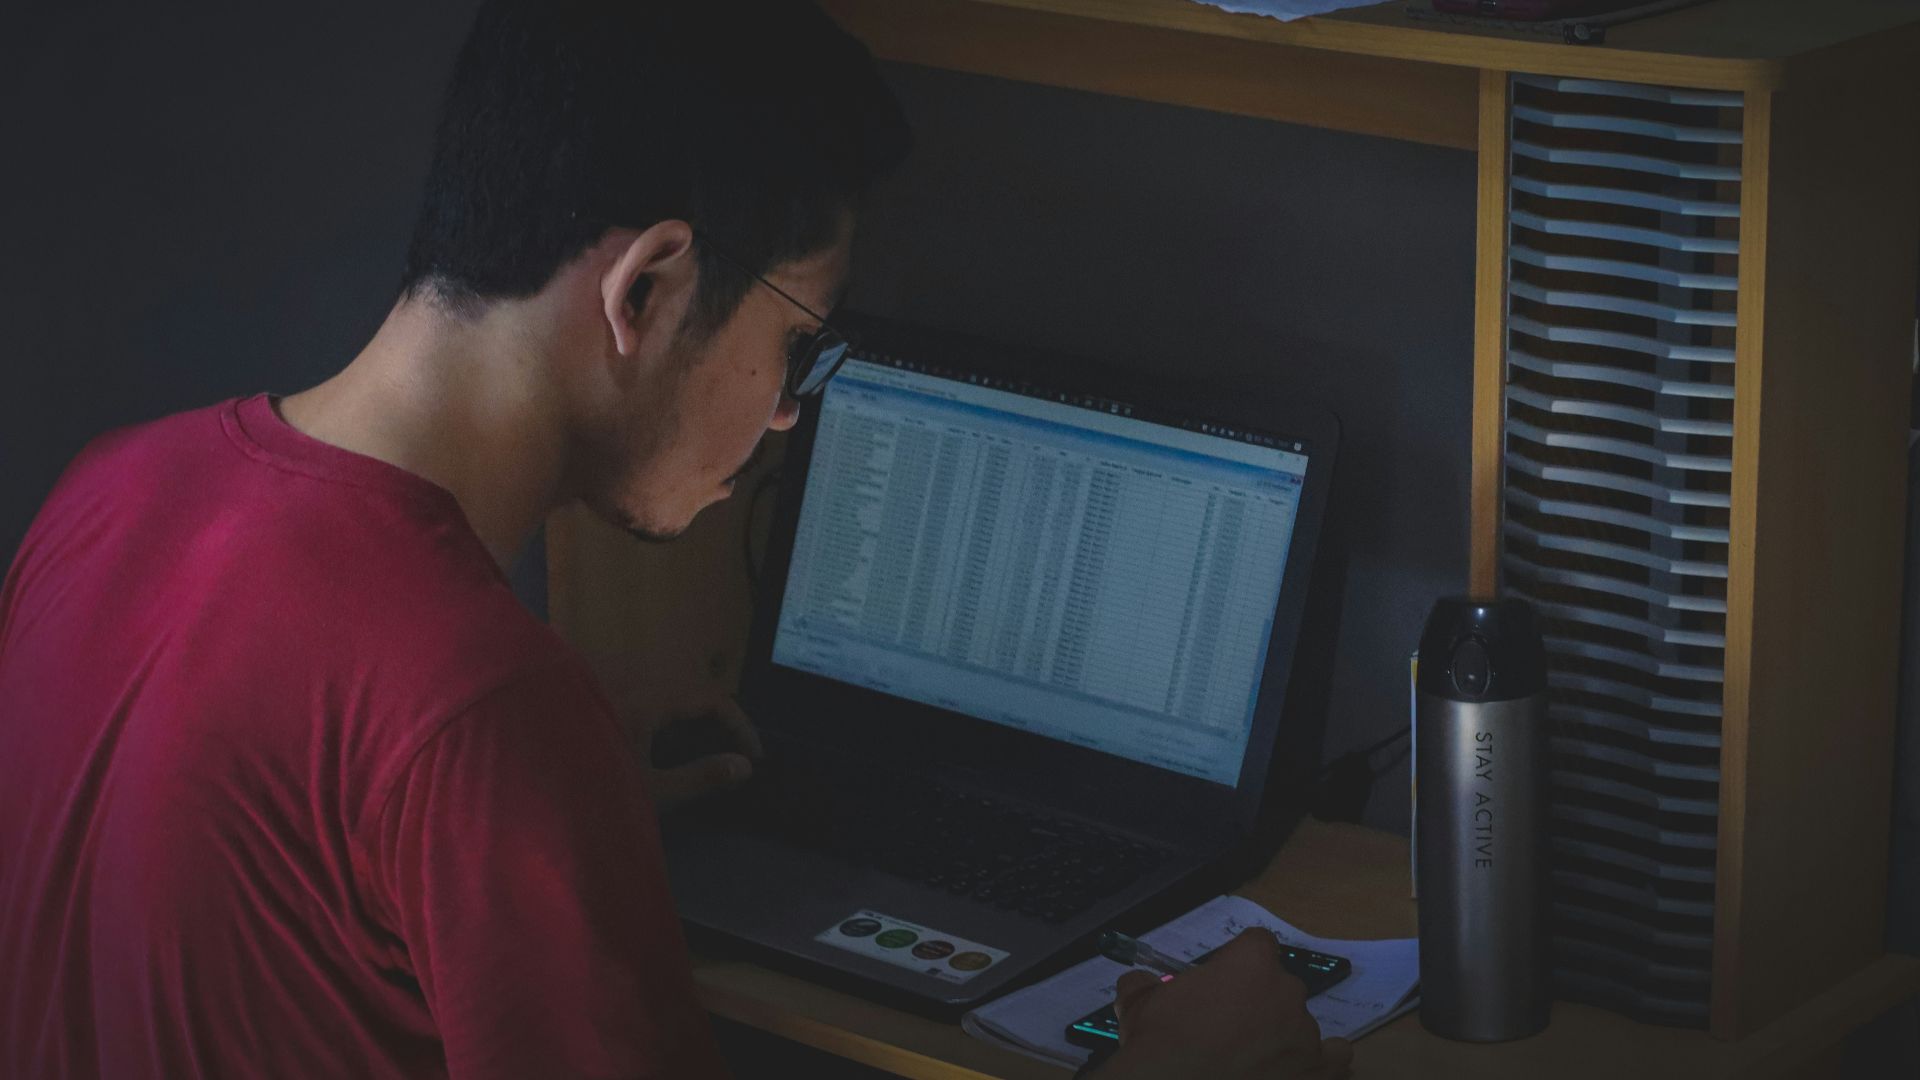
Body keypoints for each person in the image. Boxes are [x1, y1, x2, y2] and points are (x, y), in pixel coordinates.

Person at [0, 1, 1353, 1077]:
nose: (780, 422)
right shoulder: (483, 701)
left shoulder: (111, 491)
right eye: (795, 344)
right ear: (648, 287)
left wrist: (511, 851)